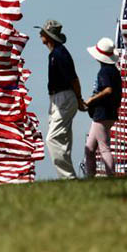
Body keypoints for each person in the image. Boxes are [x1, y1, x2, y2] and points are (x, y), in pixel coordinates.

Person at [36, 19, 85, 179]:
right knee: (62, 139)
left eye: (43, 32)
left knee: (52, 138)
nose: (40, 35)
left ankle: (68, 177)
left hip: (64, 96)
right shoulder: (55, 53)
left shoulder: (59, 54)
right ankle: (68, 176)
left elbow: (73, 79)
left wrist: (79, 99)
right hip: (58, 98)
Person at [83, 37, 122, 178]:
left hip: (102, 114)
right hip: (107, 113)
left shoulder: (104, 72)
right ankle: (90, 176)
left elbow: (108, 90)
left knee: (104, 147)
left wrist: (91, 99)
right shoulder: (114, 71)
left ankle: (111, 175)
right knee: (90, 148)